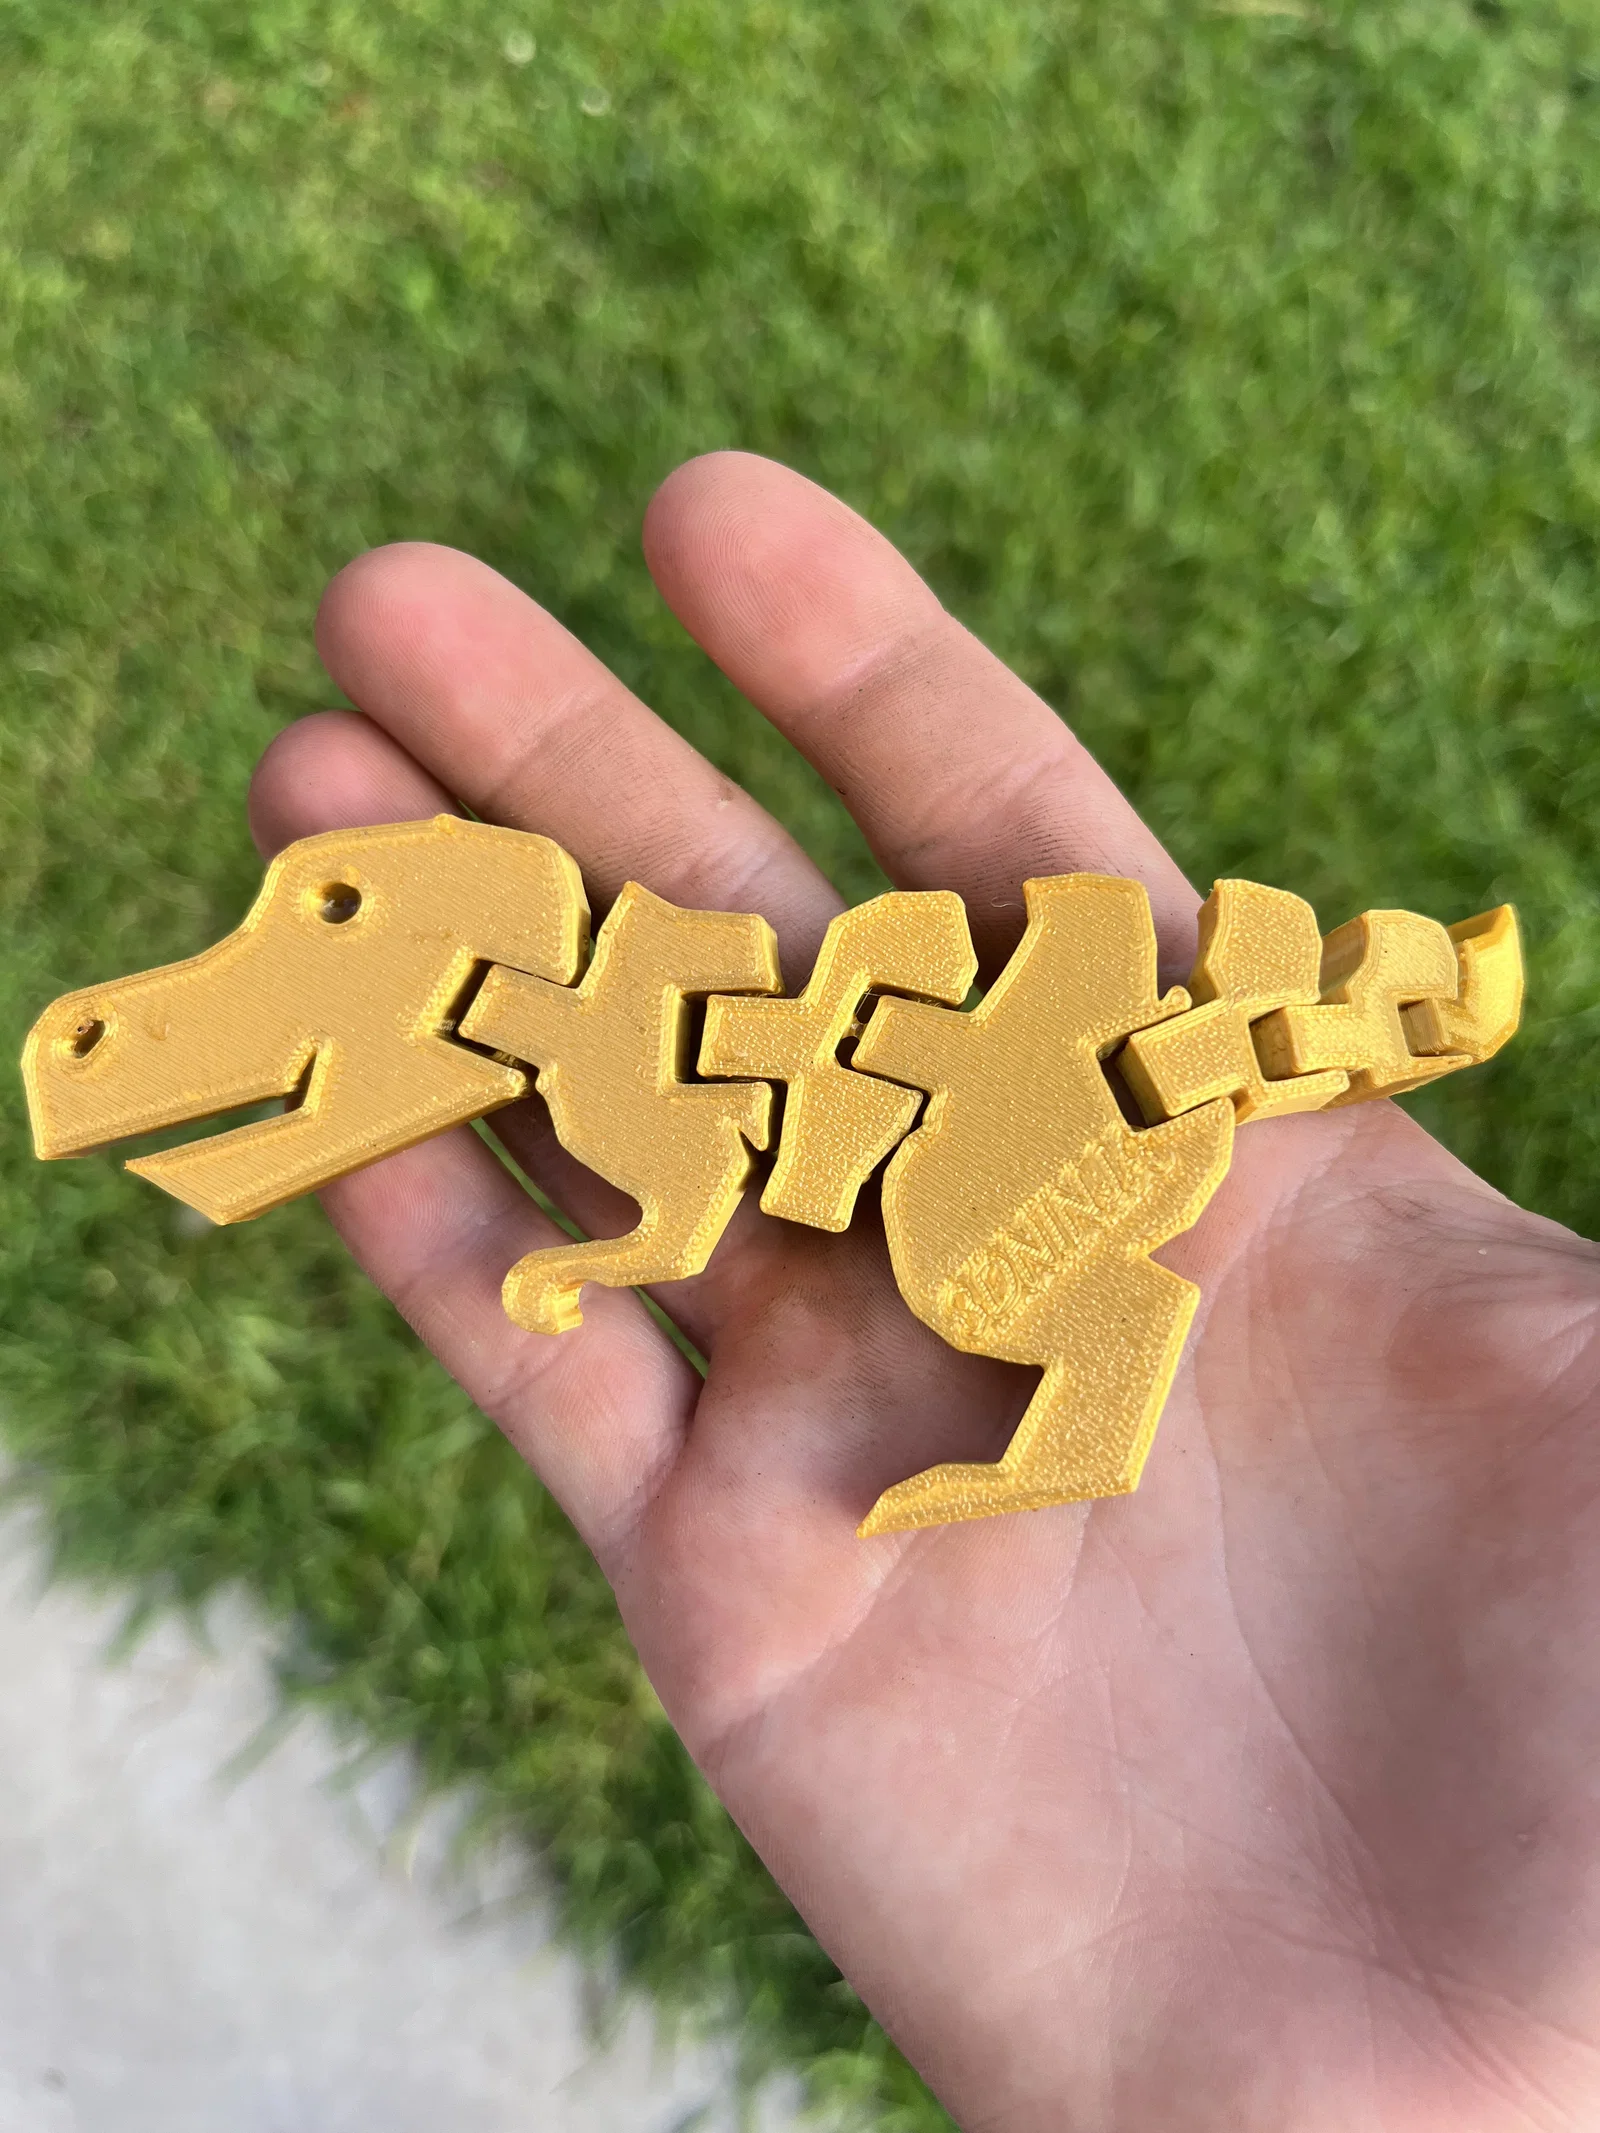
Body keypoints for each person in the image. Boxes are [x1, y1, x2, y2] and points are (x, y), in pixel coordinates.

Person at [247, 452, 1600, 2132]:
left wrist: (611, 1249)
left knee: (980, 1279)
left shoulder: (620, 1062)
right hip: (940, 1073)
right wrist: (609, 1243)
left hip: (1018, 1101)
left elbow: (681, 1204)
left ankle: (1087, 1406)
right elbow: (684, 1197)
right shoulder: (613, 1059)